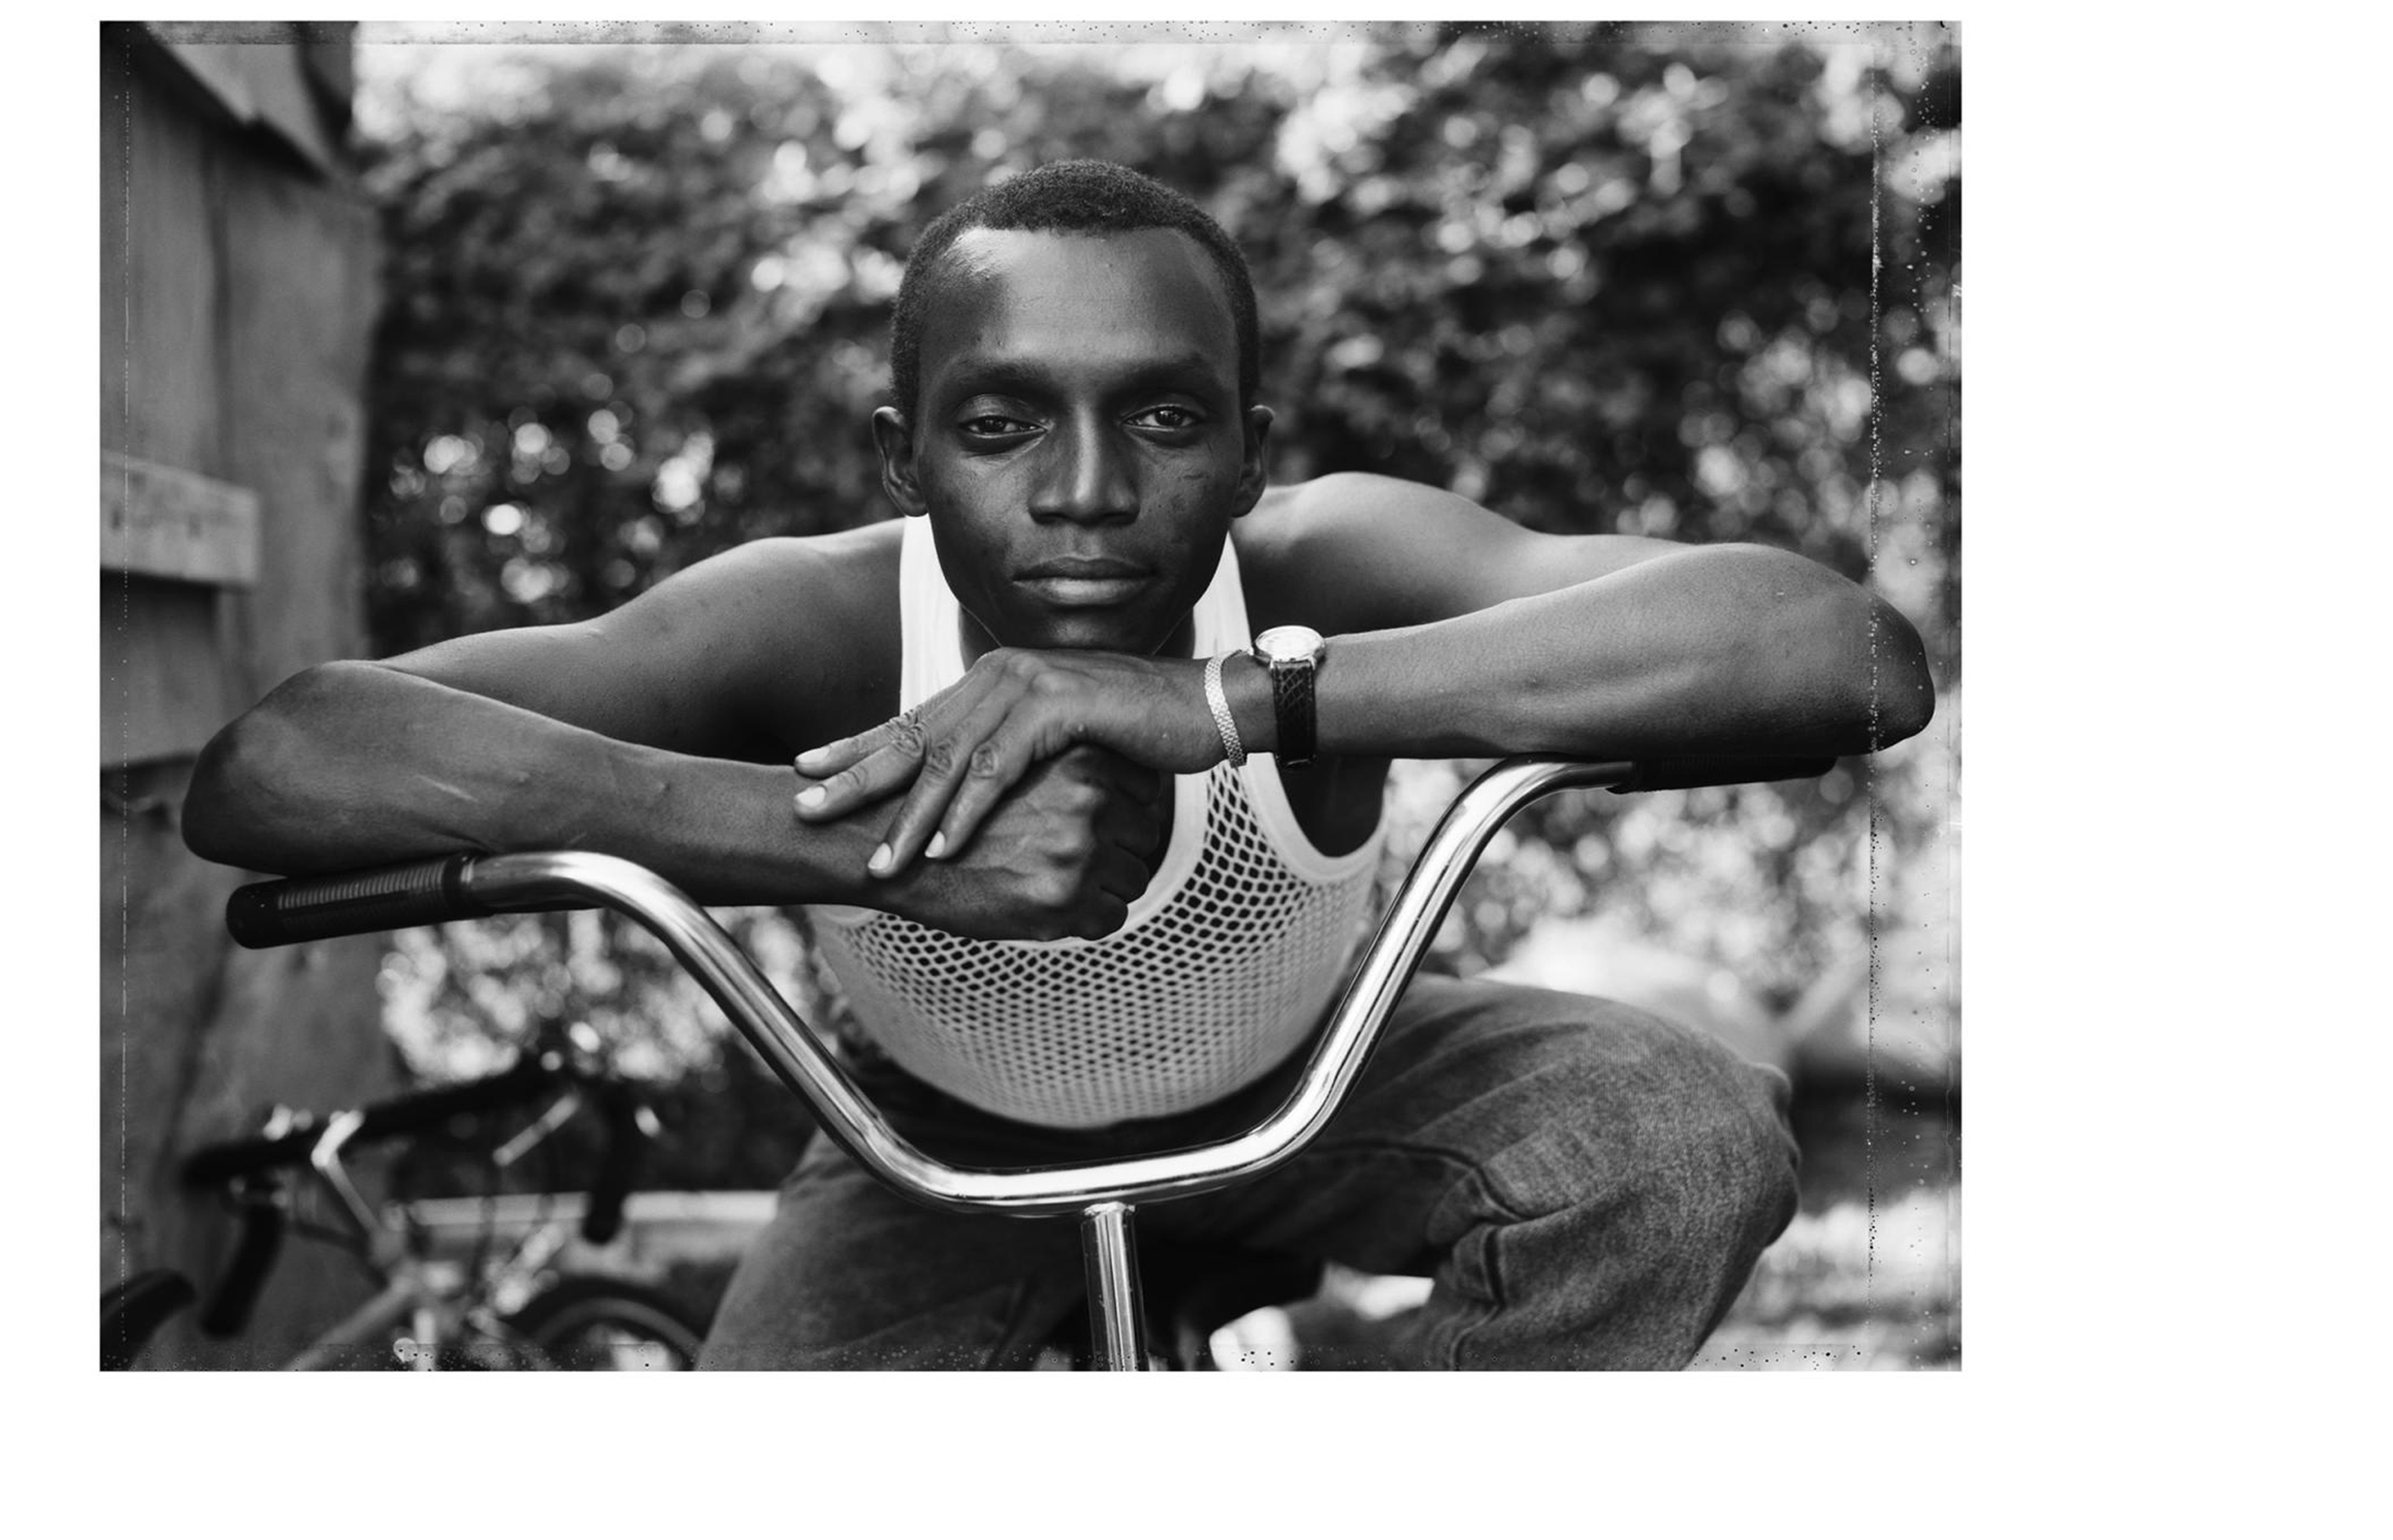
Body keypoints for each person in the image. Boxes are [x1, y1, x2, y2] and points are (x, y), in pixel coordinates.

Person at [183, 160, 1933, 1369]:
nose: (1087, 488)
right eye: (1004, 422)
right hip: (917, 1142)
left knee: (1680, 1136)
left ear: (1251, 454)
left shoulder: (1319, 569)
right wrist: (844, 838)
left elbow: (1838, 649)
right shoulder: (812, 626)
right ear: (905, 459)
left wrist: (1234, 703)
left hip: (1335, 1073)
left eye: (1166, 419)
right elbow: (280, 758)